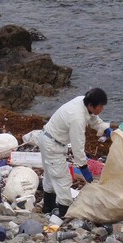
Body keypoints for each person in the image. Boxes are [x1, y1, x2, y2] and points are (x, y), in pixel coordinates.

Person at [38, 88, 112, 218]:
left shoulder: (82, 101)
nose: (102, 109)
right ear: (91, 105)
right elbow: (78, 146)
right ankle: (64, 213)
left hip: (48, 139)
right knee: (62, 179)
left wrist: (103, 127)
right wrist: (83, 167)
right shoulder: (77, 119)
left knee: (51, 176)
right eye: (100, 106)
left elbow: (92, 118)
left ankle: (48, 207)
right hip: (52, 146)